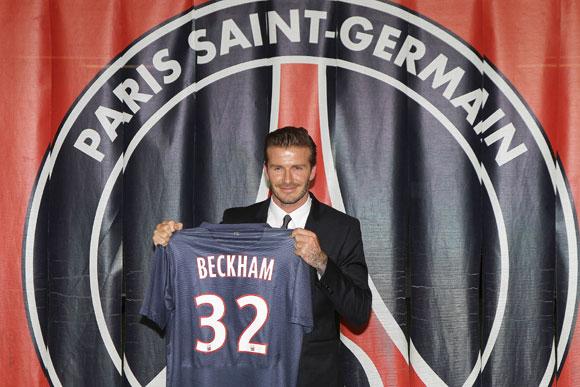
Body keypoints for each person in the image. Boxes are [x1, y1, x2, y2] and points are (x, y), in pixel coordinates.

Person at [152, 126, 371, 386]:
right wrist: (170, 244)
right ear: (267, 172)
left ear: (313, 172)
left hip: (311, 376)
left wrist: (322, 262)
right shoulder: (235, 221)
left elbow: (359, 313)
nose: (287, 180)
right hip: (247, 373)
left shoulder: (341, 228)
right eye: (278, 168)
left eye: (297, 168)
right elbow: (203, 281)